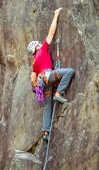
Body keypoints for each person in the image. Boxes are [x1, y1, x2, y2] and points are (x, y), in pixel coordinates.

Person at [27, 7, 75, 143]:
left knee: (47, 108)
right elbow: (51, 33)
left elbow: (33, 75)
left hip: (43, 85)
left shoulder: (34, 62)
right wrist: (56, 15)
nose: (41, 44)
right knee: (69, 72)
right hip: (48, 76)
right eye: (38, 44)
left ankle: (46, 132)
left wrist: (34, 83)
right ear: (36, 47)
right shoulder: (42, 50)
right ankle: (59, 93)